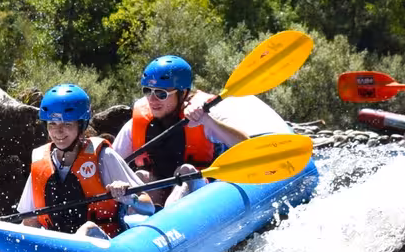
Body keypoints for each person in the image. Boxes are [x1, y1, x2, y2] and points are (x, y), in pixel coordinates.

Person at [111, 55, 248, 208]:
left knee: (186, 171)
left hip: (204, 191)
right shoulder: (136, 123)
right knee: (141, 176)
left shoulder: (202, 115)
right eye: (147, 91)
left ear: (182, 94)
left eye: (161, 93)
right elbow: (111, 163)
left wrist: (207, 121)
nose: (152, 99)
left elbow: (245, 146)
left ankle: (168, 216)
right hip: (160, 191)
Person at [18, 83, 151, 238]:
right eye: (52, 124)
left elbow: (148, 206)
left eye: (67, 124)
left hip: (108, 242)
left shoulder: (104, 157)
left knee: (88, 229)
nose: (58, 131)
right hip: (61, 248)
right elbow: (30, 221)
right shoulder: (40, 162)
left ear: (81, 126)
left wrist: (130, 197)